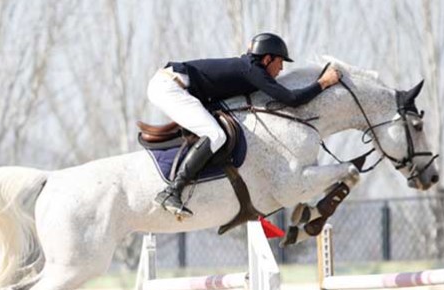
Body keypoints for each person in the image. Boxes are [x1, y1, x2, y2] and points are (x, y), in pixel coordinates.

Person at [147, 32, 342, 218]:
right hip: (170, 87)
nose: (281, 69)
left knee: (214, 132)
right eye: (280, 61)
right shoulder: (254, 71)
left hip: (173, 85)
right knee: (216, 135)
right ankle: (171, 191)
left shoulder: (249, 68)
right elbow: (292, 99)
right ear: (267, 59)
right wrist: (323, 83)